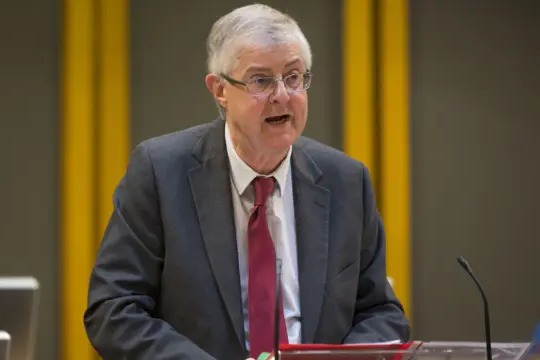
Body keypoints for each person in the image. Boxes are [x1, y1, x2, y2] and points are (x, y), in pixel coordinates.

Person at [84, 4, 410, 360]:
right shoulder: (161, 173)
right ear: (219, 90)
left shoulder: (346, 181)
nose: (282, 95)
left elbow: (380, 312)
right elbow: (113, 308)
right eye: (261, 80)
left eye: (293, 77)